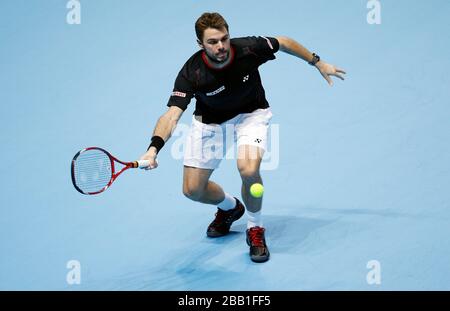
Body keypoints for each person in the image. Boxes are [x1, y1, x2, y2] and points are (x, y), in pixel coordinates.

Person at [140, 12, 346, 263]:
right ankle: (230, 208)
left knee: (249, 170)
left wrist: (318, 62)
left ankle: (254, 227)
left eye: (224, 39)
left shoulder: (248, 48)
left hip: (251, 115)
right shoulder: (191, 72)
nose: (221, 46)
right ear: (200, 45)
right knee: (193, 190)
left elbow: (284, 42)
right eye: (213, 42)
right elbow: (171, 116)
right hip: (211, 123)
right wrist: (153, 149)